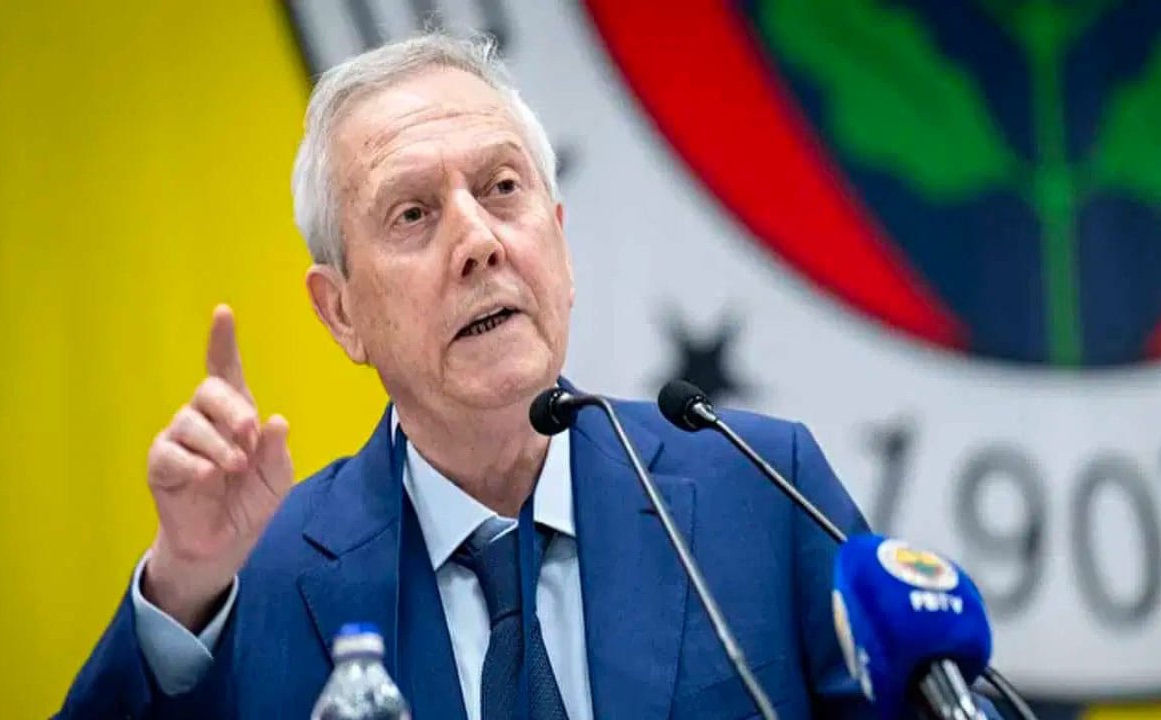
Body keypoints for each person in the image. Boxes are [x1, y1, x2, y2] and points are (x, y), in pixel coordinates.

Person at [59, 33, 878, 719]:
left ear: (559, 245)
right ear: (341, 313)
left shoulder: (761, 489)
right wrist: (184, 588)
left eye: (502, 188)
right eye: (413, 213)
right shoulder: (255, 580)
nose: (478, 242)